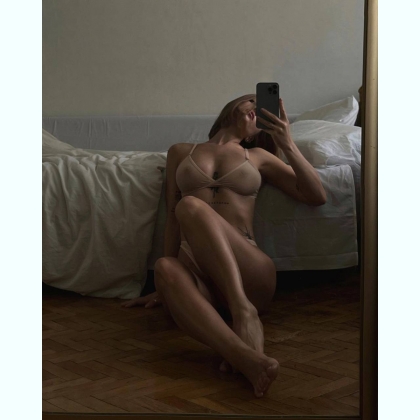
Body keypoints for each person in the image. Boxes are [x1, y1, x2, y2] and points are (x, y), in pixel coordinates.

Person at [121, 94, 327, 398]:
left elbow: (316, 195)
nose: (256, 107)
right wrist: (162, 288)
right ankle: (244, 357)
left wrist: (287, 143)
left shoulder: (257, 155)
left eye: (263, 107)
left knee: (191, 205)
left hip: (248, 269)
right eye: (252, 100)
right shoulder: (181, 151)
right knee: (165, 266)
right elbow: (172, 218)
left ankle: (243, 310)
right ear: (232, 107)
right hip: (199, 275)